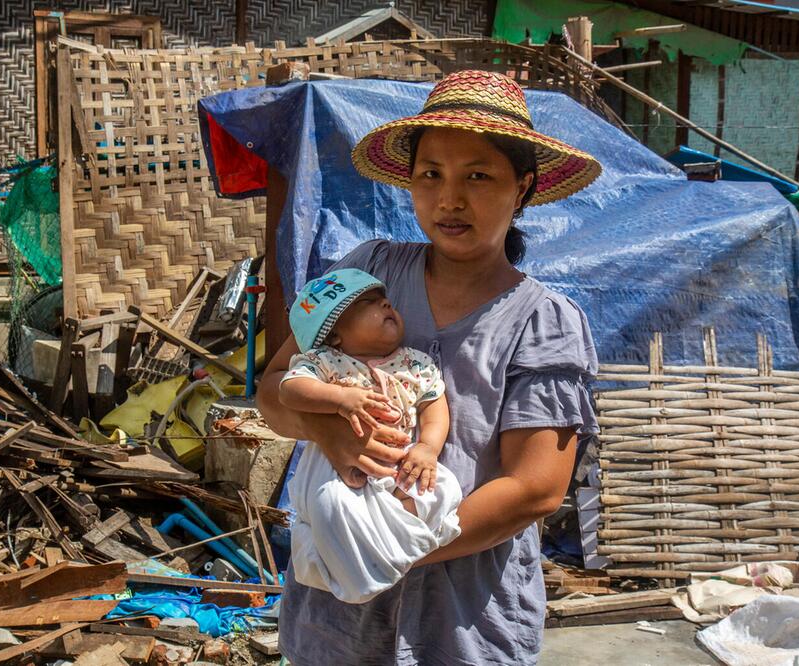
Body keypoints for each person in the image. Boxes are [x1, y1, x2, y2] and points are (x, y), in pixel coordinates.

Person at [257, 69, 603, 664]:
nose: (450, 199)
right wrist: (326, 429)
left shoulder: (543, 321)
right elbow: (272, 390)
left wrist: (386, 548)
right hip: (336, 618)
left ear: (522, 187)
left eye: (478, 176)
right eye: (431, 175)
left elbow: (535, 489)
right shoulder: (368, 274)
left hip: (464, 620)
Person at [280, 268, 463, 604]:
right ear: (335, 335)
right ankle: (357, 568)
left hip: (399, 462)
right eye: (368, 303)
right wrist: (339, 398)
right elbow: (289, 389)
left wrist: (427, 447)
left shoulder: (414, 363)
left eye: (385, 300)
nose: (386, 304)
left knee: (446, 488)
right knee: (331, 504)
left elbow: (433, 405)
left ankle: (394, 536)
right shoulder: (326, 362)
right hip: (337, 467)